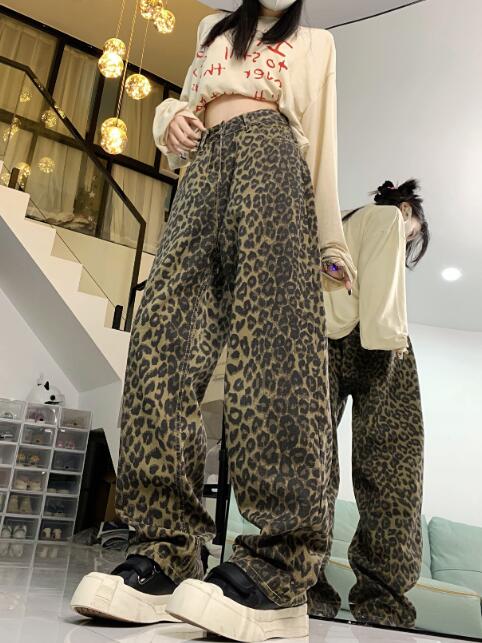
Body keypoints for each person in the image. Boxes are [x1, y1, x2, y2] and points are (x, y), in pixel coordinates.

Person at [71, 0, 356, 640]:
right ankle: (167, 551)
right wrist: (168, 120)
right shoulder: (213, 30)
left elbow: (323, 144)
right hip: (202, 171)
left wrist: (330, 241)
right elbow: (185, 105)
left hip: (274, 162)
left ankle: (280, 569)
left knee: (275, 350)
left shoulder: (317, 43)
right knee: (160, 342)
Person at [308, 179, 430, 629]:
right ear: (407, 210)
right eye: (414, 234)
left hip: (323, 338)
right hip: (378, 339)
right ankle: (383, 605)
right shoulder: (388, 217)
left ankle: (301, 582)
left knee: (310, 462)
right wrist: (392, 339)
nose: (407, 239)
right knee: (393, 472)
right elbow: (380, 295)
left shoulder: (337, 224)